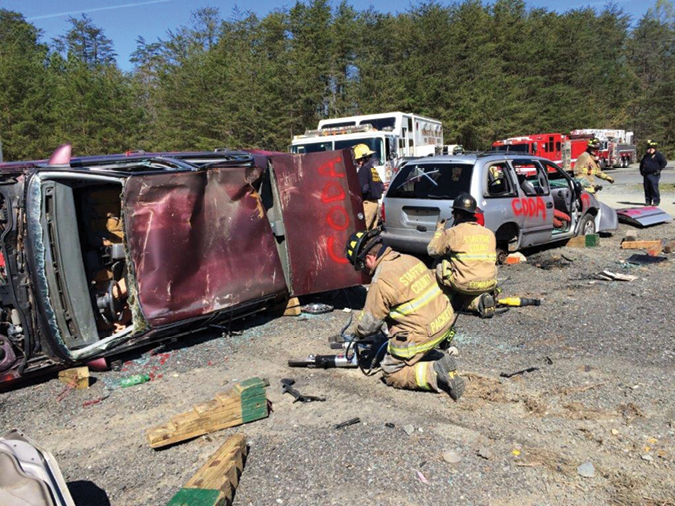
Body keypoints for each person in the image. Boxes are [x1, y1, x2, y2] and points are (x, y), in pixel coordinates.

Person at [344, 228, 465, 400]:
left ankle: (435, 373)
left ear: (369, 259)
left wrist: (355, 332)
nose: (363, 270)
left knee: (391, 372)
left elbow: (367, 326)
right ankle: (429, 353)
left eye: (361, 266)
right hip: (446, 321)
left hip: (426, 333)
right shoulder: (409, 259)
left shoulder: (381, 280)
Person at [427, 193, 498, 318]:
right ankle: (478, 302)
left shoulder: (453, 233)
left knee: (439, 262)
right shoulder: (489, 233)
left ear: (458, 215)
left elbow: (432, 250)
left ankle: (447, 300)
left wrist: (439, 231)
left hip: (464, 284)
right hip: (489, 283)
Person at [353, 144, 384, 229]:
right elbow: (382, 187)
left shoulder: (363, 170)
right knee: (371, 234)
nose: (357, 162)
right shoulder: (372, 169)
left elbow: (363, 189)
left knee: (362, 230)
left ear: (361, 159)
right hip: (376, 204)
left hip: (368, 205)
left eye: (357, 160)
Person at [640, 140, 667, 206]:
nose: (649, 150)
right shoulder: (646, 156)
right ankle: (648, 201)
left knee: (653, 188)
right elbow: (642, 164)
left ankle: (656, 201)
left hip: (654, 174)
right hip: (646, 174)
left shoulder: (658, 155)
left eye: (650, 149)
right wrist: (642, 171)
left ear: (653, 149)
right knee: (647, 188)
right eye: (648, 149)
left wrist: (659, 169)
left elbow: (664, 162)